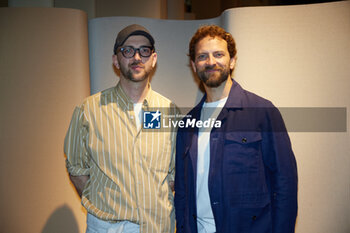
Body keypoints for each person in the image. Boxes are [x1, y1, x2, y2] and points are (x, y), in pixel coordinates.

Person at [174, 25, 298, 233]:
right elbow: (182, 193)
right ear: (194, 65)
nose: (211, 62)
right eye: (202, 56)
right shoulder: (187, 125)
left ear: (232, 61)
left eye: (218, 54)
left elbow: (285, 184)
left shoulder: (262, 112)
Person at [64, 24, 178, 233]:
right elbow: (76, 169)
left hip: (157, 226)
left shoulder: (170, 111)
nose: (136, 57)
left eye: (144, 50)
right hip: (108, 226)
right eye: (127, 50)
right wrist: (105, 205)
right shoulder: (88, 110)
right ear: (116, 60)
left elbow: (173, 174)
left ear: (153, 59)